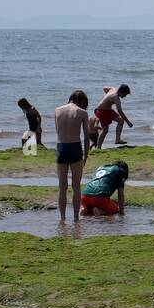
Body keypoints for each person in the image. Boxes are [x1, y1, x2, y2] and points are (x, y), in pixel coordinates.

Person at [53, 90, 90, 222]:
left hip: (61, 147)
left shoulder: (57, 110)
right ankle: (76, 218)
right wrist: (86, 155)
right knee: (76, 186)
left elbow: (58, 131)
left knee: (62, 187)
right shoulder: (82, 113)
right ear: (81, 101)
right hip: (75, 147)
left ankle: (62, 218)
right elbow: (86, 137)